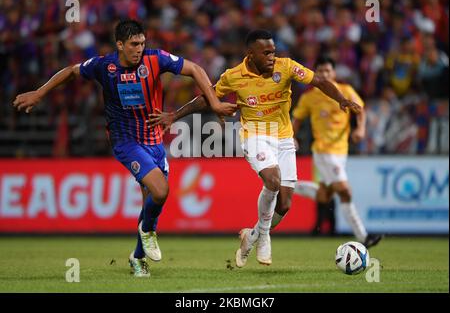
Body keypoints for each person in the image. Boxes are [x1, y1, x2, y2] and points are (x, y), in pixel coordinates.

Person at [12, 19, 237, 277]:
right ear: (120, 44)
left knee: (151, 200)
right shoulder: (103, 66)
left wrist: (215, 103)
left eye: (142, 43)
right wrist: (40, 93)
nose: (139, 49)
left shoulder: (156, 59)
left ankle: (138, 258)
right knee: (161, 191)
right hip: (125, 141)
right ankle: (149, 230)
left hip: (154, 141)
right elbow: (71, 70)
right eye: (133, 44)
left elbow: (196, 69)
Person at [148, 30, 361, 268]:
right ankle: (265, 236)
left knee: (285, 204)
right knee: (272, 179)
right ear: (251, 54)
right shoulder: (234, 76)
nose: (272, 56)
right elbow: (206, 98)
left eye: (274, 51)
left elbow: (319, 82)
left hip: (283, 137)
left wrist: (341, 99)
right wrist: (174, 115)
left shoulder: (286, 67)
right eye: (266, 52)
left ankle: (252, 236)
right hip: (254, 135)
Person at [291, 56, 382, 248]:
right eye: (320, 71)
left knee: (324, 196)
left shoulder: (346, 91)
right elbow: (297, 118)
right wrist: (292, 135)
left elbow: (360, 110)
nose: (324, 74)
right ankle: (363, 236)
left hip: (342, 152)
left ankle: (286, 186)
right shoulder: (309, 97)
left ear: (334, 73)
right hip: (324, 151)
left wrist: (360, 129)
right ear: (316, 74)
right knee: (345, 191)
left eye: (327, 71)